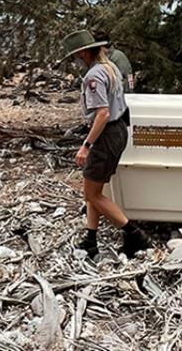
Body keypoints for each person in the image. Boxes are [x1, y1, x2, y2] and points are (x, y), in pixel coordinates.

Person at [61, 30, 150, 258]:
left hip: (106, 135)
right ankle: (91, 238)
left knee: (92, 194)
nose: (75, 60)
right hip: (119, 130)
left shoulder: (93, 76)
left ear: (82, 52)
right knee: (94, 189)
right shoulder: (111, 67)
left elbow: (102, 113)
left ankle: (134, 235)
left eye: (75, 56)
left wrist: (86, 145)